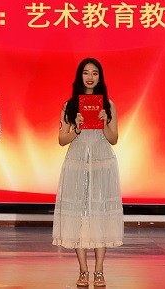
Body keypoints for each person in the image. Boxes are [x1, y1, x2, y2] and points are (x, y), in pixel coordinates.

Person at [52, 58, 123, 289]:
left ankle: (99, 270)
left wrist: (104, 123)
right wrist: (77, 129)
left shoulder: (108, 105)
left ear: (100, 77)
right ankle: (83, 271)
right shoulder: (69, 106)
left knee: (100, 215)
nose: (90, 77)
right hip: (77, 163)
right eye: (86, 73)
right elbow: (62, 140)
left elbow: (113, 139)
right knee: (79, 215)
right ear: (79, 76)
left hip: (102, 164)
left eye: (94, 73)